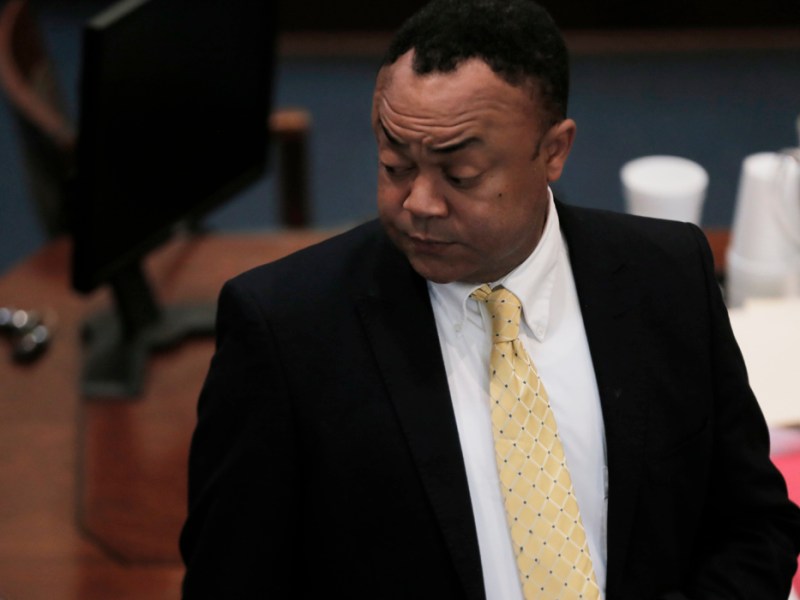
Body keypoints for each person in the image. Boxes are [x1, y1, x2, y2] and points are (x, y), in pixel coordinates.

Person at [179, 0, 800, 598]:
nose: (419, 202)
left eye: (460, 175)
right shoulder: (285, 331)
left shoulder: (667, 275)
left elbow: (753, 527)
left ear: (554, 151)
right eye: (395, 164)